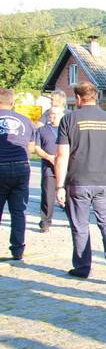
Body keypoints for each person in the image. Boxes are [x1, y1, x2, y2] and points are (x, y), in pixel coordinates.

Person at [54, 82, 106, 283]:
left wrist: (59, 185)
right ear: (96, 97)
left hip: (79, 181)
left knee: (80, 225)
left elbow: (62, 155)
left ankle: (83, 267)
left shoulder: (69, 119)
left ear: (78, 98)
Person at [0, 88, 36, 260]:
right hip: (22, 167)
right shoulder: (25, 120)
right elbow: (31, 148)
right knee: (18, 210)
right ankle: (18, 249)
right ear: (12, 102)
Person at [34, 106, 64, 232]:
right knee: (47, 195)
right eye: (51, 114)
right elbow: (36, 148)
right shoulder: (42, 130)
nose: (53, 116)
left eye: (56, 114)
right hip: (49, 167)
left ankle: (74, 219)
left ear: (62, 114)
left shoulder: (67, 129)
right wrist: (49, 157)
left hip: (65, 168)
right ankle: (45, 221)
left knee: (70, 195)